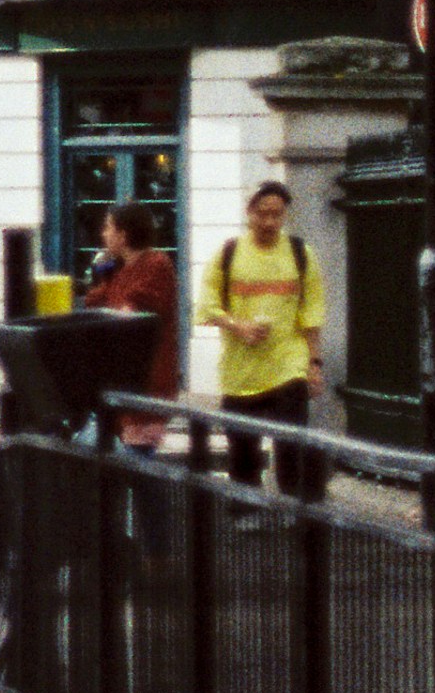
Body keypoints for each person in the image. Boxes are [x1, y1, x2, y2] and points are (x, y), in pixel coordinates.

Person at [202, 180, 330, 500]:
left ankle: (293, 501)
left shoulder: (300, 254)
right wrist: (238, 326)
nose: (271, 222)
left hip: (288, 363)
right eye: (263, 214)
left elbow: (311, 313)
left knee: (292, 440)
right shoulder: (229, 254)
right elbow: (206, 306)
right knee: (242, 444)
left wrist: (313, 363)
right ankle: (246, 505)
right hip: (241, 370)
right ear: (249, 212)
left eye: (278, 214)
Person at [83, 203, 180, 448]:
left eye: (108, 228)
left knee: (138, 455)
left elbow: (132, 309)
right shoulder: (120, 270)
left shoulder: (157, 265)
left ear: (123, 235)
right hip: (121, 379)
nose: (103, 235)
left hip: (147, 379)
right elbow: (95, 302)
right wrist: (101, 273)